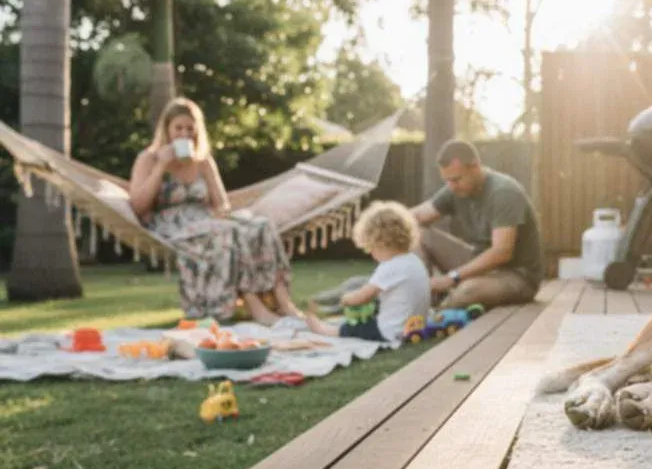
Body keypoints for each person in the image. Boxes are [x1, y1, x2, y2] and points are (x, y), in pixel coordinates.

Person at [128, 98, 302, 324]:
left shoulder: (203, 162)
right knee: (229, 233)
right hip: (172, 225)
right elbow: (138, 206)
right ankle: (254, 305)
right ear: (167, 130)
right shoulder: (148, 159)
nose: (185, 134)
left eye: (191, 129)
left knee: (262, 226)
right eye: (178, 128)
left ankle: (282, 300)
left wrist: (220, 212)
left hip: (207, 219)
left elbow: (222, 203)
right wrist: (161, 166)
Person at [410, 140, 545, 309]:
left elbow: (502, 252)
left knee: (467, 291)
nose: (451, 187)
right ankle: (421, 296)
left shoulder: (503, 192)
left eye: (456, 180)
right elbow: (414, 216)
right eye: (447, 181)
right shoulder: (455, 188)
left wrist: (451, 278)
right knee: (416, 233)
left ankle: (436, 315)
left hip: (517, 276)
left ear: (475, 166)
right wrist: (378, 223)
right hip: (479, 262)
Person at [303, 201, 431, 342]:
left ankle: (326, 330)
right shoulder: (414, 260)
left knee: (356, 328)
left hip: (392, 331)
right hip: (415, 326)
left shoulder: (389, 267)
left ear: (381, 243)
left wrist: (347, 299)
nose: (371, 254)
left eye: (370, 248)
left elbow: (363, 297)